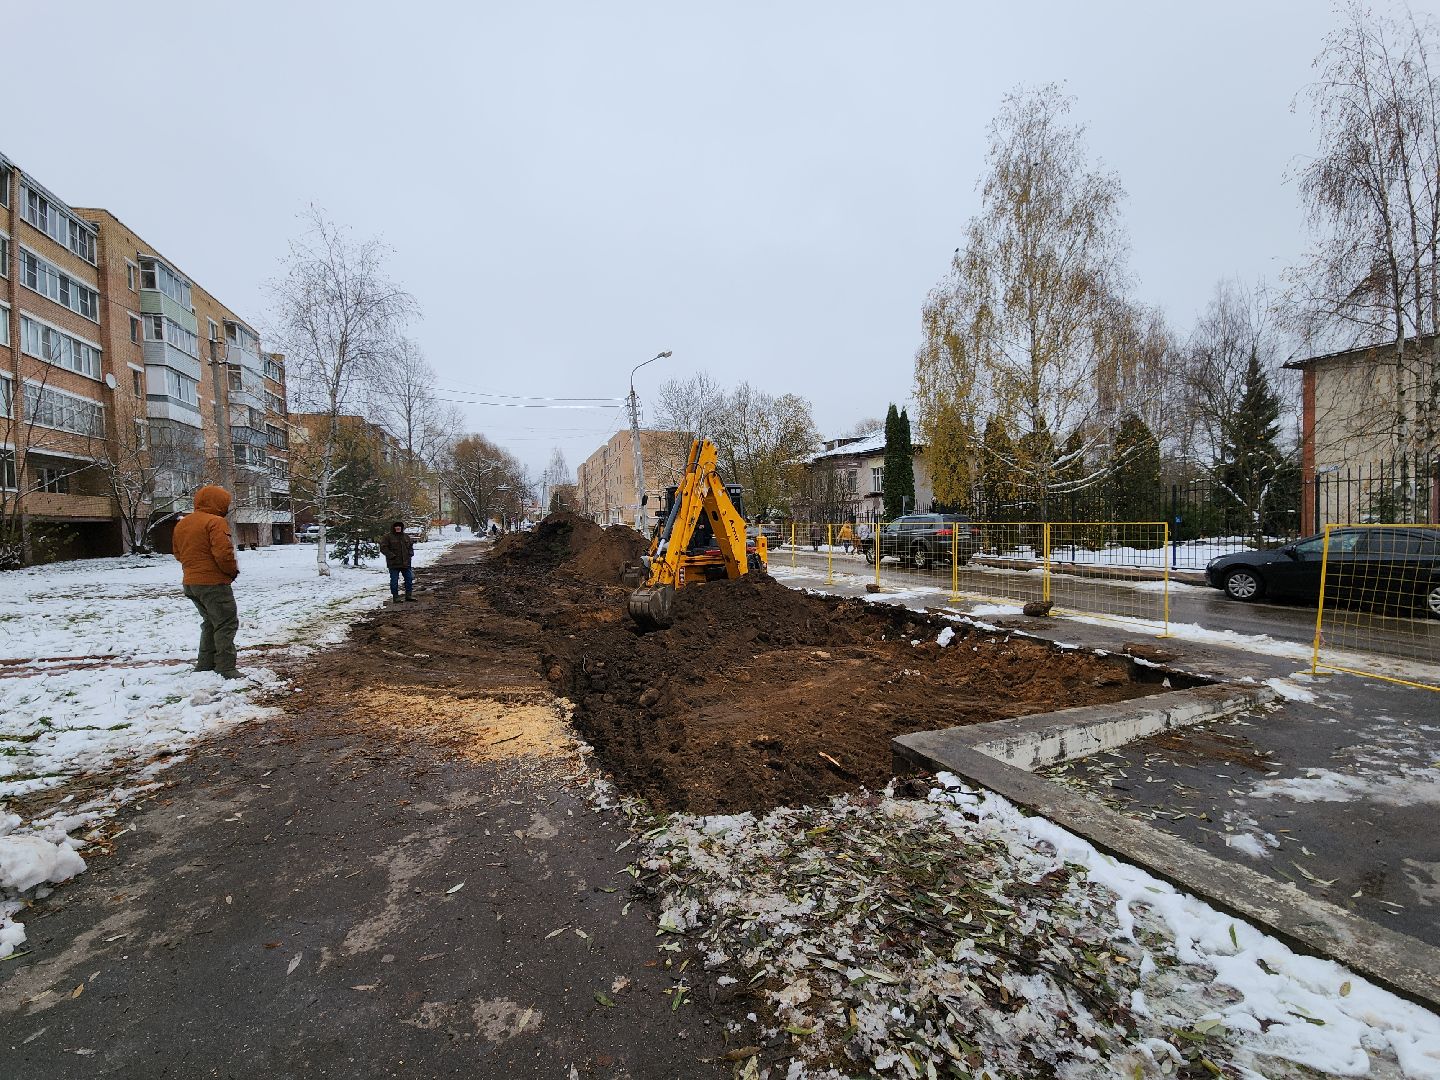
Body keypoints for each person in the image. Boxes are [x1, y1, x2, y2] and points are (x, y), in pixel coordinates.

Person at [173, 484, 241, 680]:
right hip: (214, 583)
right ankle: (226, 668)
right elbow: (223, 554)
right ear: (219, 503)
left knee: (210, 622)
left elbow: (178, 553)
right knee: (226, 623)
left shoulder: (183, 523)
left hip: (191, 583)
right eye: (226, 503)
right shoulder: (215, 522)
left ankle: (205, 664)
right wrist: (231, 572)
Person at [379, 521, 416, 603]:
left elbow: (410, 546)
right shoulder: (387, 537)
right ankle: (395, 597)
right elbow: (383, 548)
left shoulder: (406, 536)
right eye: (396, 526)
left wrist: (410, 554)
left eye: (399, 526)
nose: (398, 528)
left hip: (406, 563)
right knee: (394, 581)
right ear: (393, 527)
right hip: (394, 563)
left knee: (409, 579)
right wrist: (391, 556)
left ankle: (409, 595)